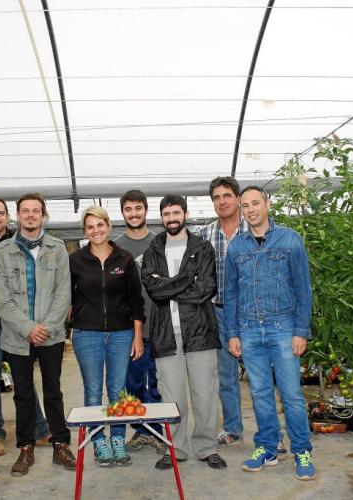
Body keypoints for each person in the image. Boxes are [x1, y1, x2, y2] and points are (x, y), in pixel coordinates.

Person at [224, 186, 316, 481]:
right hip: (249, 329)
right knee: (260, 393)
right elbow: (231, 293)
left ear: (268, 204)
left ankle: (302, 450)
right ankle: (267, 447)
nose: (251, 209)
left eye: (255, 203)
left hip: (283, 328)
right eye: (245, 205)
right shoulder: (236, 247)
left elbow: (303, 289)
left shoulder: (290, 240)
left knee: (292, 395)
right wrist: (232, 333)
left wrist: (300, 330)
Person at [0, 192, 76, 476]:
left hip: (50, 335)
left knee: (54, 391)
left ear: (43, 215)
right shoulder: (2, 251)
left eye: (35, 210)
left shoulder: (58, 248)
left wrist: (46, 328)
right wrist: (28, 328)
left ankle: (60, 444)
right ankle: (25, 448)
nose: (30, 215)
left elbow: (63, 293)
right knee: (23, 394)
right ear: (17, 216)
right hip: (17, 336)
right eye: (25, 211)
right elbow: (1, 299)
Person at [141, 195, 227, 471]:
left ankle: (206, 447)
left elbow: (205, 289)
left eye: (176, 213)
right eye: (166, 214)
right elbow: (153, 290)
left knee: (205, 395)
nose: (172, 219)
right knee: (172, 397)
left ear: (185, 214)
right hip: (166, 334)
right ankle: (175, 449)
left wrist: (167, 285)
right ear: (161, 218)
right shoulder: (153, 250)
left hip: (200, 332)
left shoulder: (202, 248)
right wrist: (187, 279)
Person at [0, 198, 52, 457]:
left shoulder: (21, 243)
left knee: (24, 382)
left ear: (8, 216)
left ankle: (39, 429)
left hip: (17, 326)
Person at [69, 205, 145, 466]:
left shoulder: (124, 258)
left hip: (121, 333)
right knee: (92, 390)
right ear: (85, 231)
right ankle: (99, 441)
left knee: (117, 389)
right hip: (87, 334)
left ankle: (118, 439)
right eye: (90, 227)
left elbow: (136, 300)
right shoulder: (76, 260)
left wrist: (137, 336)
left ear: (109, 226)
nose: (96, 231)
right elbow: (66, 296)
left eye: (100, 225)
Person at [114, 190, 166, 454]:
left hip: (159, 325)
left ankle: (156, 430)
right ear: (122, 213)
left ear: (146, 210)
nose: (133, 214)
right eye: (128, 209)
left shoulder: (160, 242)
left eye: (138, 208)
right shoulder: (116, 246)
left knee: (157, 381)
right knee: (132, 383)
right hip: (128, 328)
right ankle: (140, 430)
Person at [197, 177, 247, 448]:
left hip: (252, 314)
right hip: (218, 312)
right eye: (216, 197)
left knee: (261, 375)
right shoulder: (204, 235)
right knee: (226, 376)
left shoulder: (254, 229)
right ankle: (233, 429)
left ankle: (271, 435)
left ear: (237, 198)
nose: (222, 201)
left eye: (227, 195)